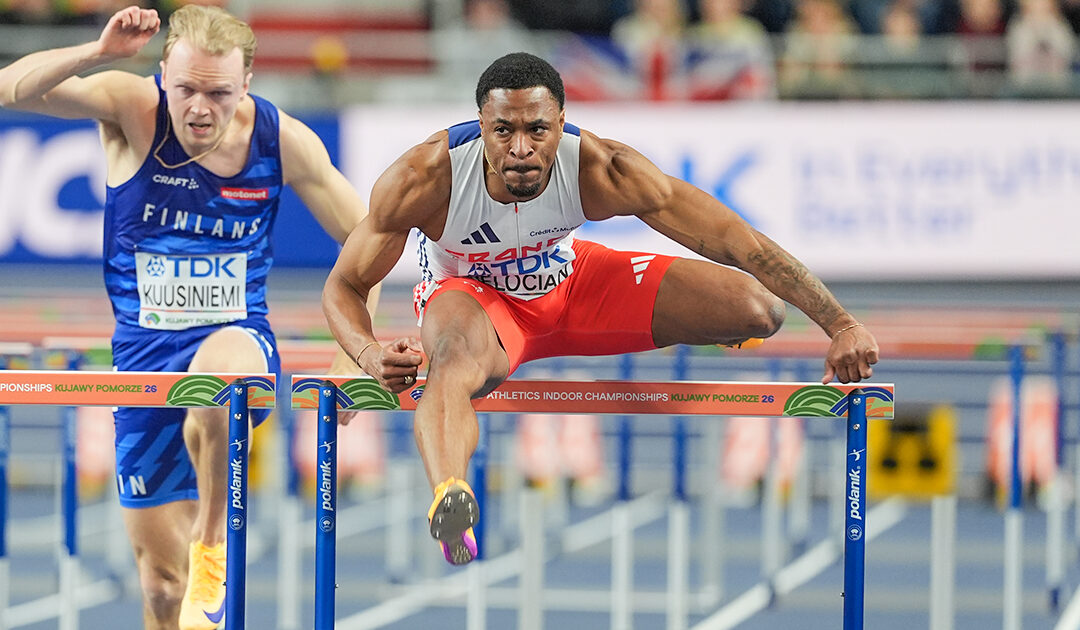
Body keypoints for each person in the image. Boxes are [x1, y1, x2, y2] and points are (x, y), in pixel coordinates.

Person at [322, 52, 880, 567]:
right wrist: (367, 354)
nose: (521, 150)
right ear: (481, 126)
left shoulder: (603, 168)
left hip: (575, 287)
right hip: (475, 304)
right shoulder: (425, 178)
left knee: (758, 310)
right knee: (449, 361)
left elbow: (737, 240)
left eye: (537, 130)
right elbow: (345, 284)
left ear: (561, 124)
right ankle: (451, 494)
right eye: (504, 131)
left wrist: (841, 322)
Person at [0, 5, 372, 628]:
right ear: (163, 76)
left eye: (219, 93)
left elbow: (370, 241)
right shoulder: (131, 108)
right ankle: (188, 570)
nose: (200, 109)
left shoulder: (281, 140)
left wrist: (352, 354)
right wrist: (96, 53)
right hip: (142, 355)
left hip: (237, 338)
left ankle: (213, 543)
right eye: (187, 90)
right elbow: (11, 88)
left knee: (220, 386)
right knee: (161, 588)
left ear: (246, 84)